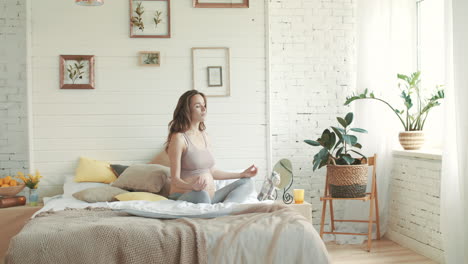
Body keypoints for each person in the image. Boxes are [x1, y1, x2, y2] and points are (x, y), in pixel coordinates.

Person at [165, 90, 258, 204]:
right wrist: (191, 187)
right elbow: (175, 180)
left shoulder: (206, 137)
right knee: (202, 195)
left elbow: (213, 172)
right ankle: (220, 210)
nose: (204, 109)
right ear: (186, 110)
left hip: (209, 199)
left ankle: (222, 209)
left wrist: (241, 174)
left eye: (204, 105)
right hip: (185, 196)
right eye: (198, 106)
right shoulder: (179, 138)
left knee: (247, 183)